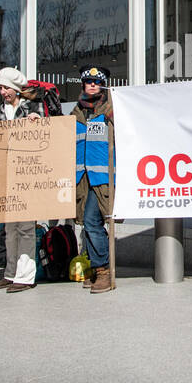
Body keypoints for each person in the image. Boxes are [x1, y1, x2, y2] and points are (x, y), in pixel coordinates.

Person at [0, 67, 42, 293]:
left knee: (25, 227)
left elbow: (45, 138)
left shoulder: (33, 108)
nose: (3, 92)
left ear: (15, 89)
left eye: (6, 88)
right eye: (0, 88)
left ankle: (25, 275)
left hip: (27, 175)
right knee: (9, 228)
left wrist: (38, 121)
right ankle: (10, 273)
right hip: (5, 175)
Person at [74, 66, 116, 293]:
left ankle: (103, 271)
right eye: (88, 81)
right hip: (83, 177)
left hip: (103, 177)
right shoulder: (77, 111)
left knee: (92, 221)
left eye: (96, 81)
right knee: (88, 223)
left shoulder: (112, 108)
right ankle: (97, 266)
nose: (92, 85)